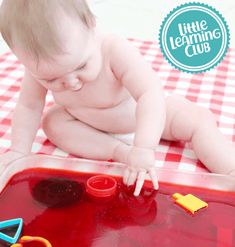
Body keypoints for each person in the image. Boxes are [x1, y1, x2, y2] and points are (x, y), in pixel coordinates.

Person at [0, 0, 234, 196]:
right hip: (89, 125)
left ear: (91, 25)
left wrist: (144, 147)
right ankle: (119, 151)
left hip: (143, 117)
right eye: (51, 80)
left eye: (81, 66)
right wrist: (19, 151)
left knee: (197, 121)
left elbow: (149, 94)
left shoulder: (114, 49)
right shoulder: (36, 70)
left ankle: (230, 169)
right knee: (52, 122)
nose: (71, 83)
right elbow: (29, 106)